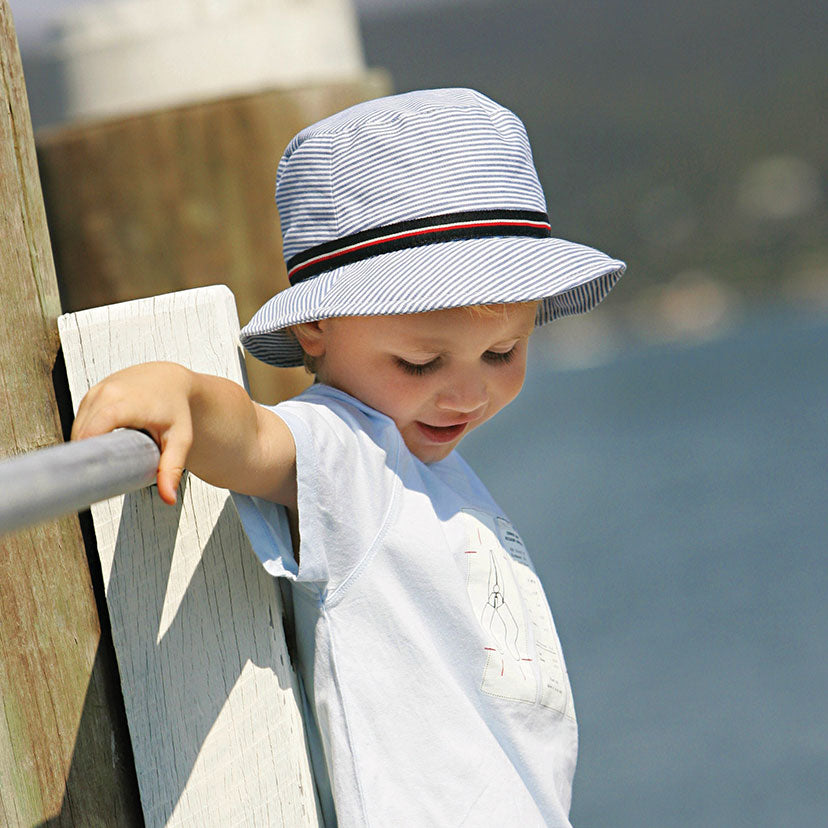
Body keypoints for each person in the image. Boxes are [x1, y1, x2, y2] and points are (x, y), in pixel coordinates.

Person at [71, 88, 625, 826]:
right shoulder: (353, 455)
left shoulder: (433, 476)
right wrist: (185, 395)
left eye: (502, 351)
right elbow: (258, 439)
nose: (467, 393)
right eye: (421, 363)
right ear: (315, 331)